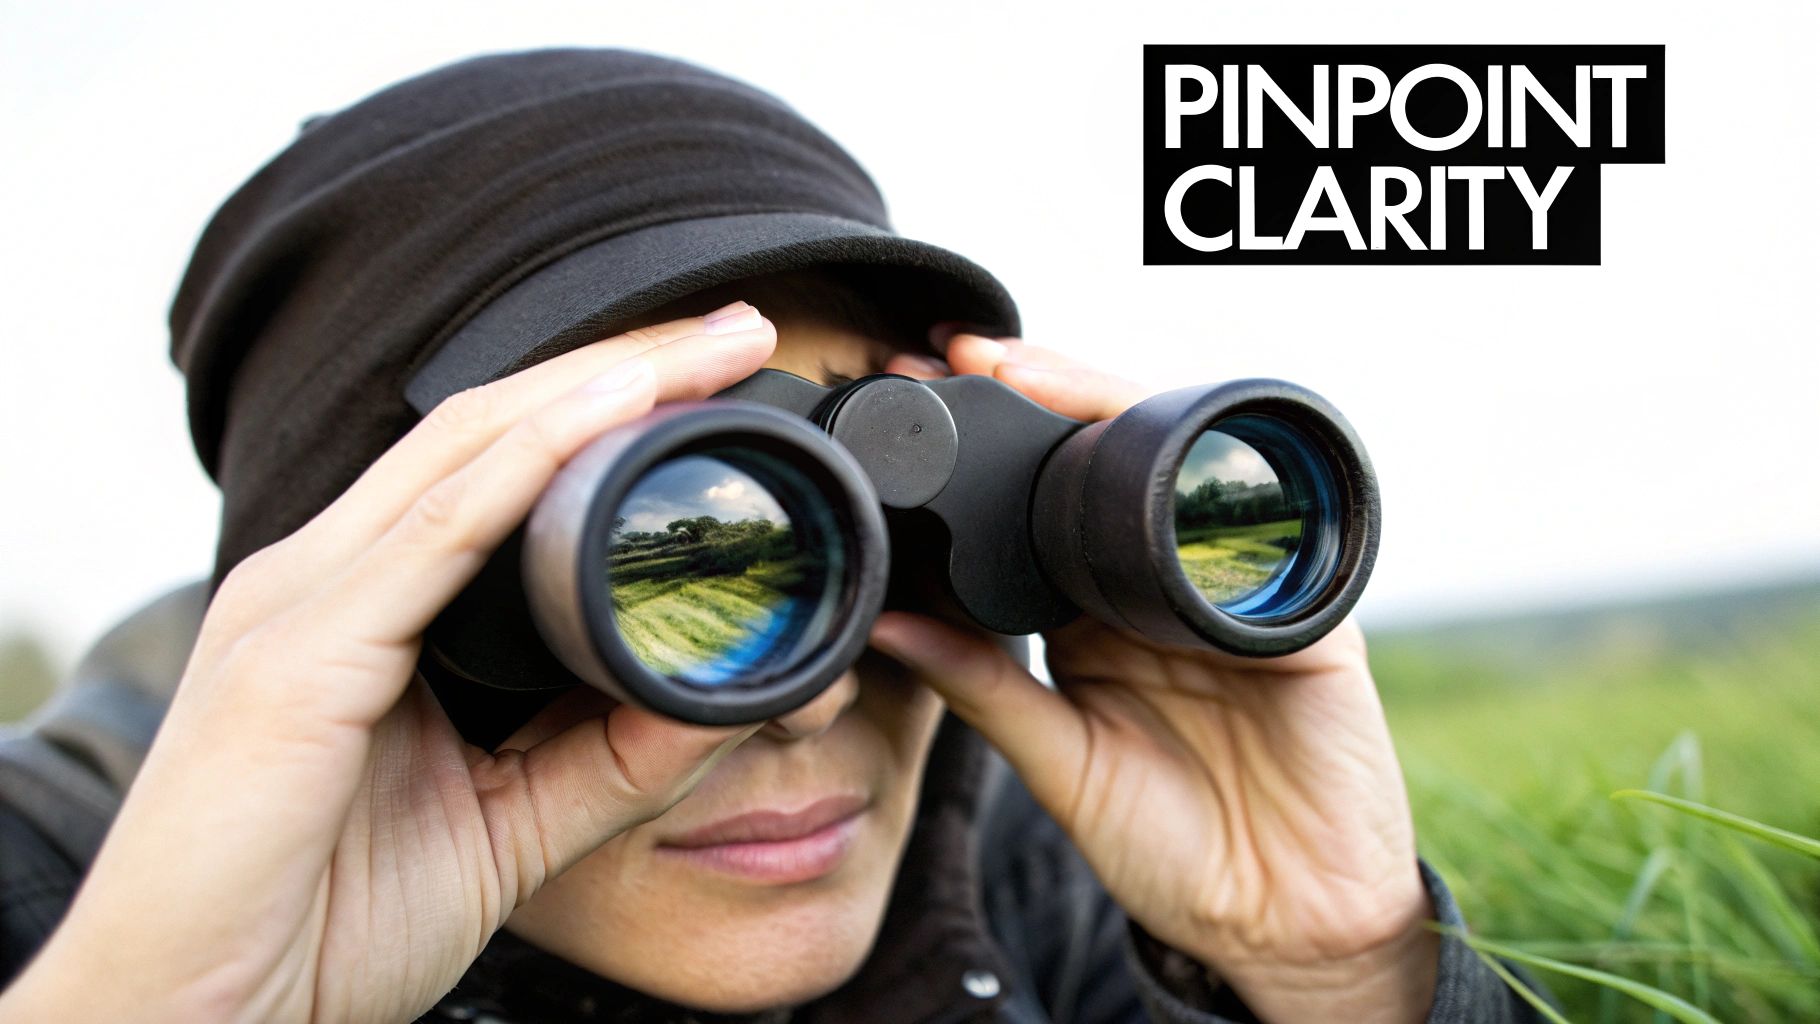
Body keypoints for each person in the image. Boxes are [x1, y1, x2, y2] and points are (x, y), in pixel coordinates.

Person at [0, 49, 1545, 1023]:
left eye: (869, 539)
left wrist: (1345, 975)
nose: (811, 696)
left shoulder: (1013, 841)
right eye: (682, 546)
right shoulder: (46, 898)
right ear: (393, 589)